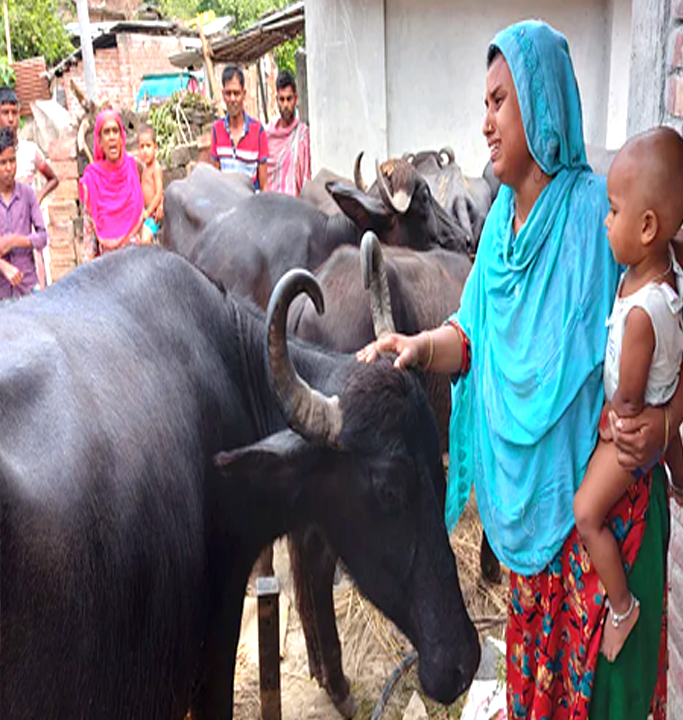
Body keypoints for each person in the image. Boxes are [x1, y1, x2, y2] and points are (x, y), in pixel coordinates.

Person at [358, 21, 671, 719]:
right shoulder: (500, 227)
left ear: (544, 101)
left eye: (501, 101)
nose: (486, 122)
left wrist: (666, 419)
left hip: (606, 531)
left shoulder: (601, 216)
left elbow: (670, 311)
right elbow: (470, 336)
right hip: (532, 528)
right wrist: (414, 346)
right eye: (486, 103)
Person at [572, 128, 683, 662]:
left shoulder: (640, 314)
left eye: (613, 212)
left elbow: (631, 405)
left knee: (586, 512)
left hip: (633, 433)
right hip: (665, 404)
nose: (605, 221)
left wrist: (605, 421)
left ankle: (621, 606)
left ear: (646, 227)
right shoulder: (658, 275)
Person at [0, 87, 59, 288]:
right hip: (1, 241)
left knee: (37, 284)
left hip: (28, 233)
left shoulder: (30, 151)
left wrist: (37, 197)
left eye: (14, 113)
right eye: (5, 113)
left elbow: (53, 178)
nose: (10, 119)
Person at [80, 109, 145, 260]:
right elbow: (89, 240)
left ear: (122, 137)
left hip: (140, 266)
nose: (111, 137)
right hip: (110, 273)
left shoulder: (135, 168)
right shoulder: (92, 180)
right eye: (106, 132)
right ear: (100, 141)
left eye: (115, 131)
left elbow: (152, 208)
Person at [0, 128, 48, 300]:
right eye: (3, 163)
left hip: (27, 286)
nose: (9, 168)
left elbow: (42, 238)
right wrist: (2, 266)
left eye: (12, 161)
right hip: (0, 292)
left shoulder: (27, 194)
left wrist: (15, 241)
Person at [209, 65, 269, 191]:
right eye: (228, 93)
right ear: (222, 95)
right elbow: (215, 179)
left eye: (236, 93)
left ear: (244, 94)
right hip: (226, 204)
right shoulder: (217, 130)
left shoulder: (258, 131)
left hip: (251, 205)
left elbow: (264, 185)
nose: (232, 99)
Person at [265, 70, 311, 197]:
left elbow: (306, 181)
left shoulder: (302, 135)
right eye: (281, 99)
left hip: (294, 208)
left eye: (289, 99)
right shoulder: (267, 135)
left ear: (295, 99)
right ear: (276, 100)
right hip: (271, 206)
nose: (285, 105)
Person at [137, 126, 164, 243]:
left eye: (148, 146)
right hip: (145, 211)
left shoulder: (155, 168)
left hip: (153, 214)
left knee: (145, 239)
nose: (145, 150)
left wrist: (149, 212)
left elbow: (158, 193)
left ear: (155, 147)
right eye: (141, 147)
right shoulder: (143, 168)